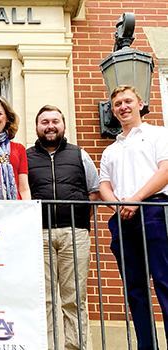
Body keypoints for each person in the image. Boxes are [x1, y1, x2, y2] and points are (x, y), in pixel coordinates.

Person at [100, 85, 168, 350]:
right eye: (117, 104)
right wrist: (119, 207)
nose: (123, 107)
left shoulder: (157, 134)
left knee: (164, 281)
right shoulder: (110, 150)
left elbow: (165, 171)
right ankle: (146, 346)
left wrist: (136, 199)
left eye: (128, 101)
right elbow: (104, 185)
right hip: (123, 219)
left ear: (140, 104)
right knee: (135, 291)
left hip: (153, 210)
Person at [27, 105, 100, 350]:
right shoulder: (25, 157)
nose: (50, 126)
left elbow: (94, 191)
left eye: (55, 121)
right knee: (43, 298)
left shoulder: (80, 154)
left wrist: (77, 217)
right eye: (44, 121)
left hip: (74, 233)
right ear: (37, 127)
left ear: (63, 125)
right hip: (39, 235)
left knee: (75, 298)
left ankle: (77, 347)